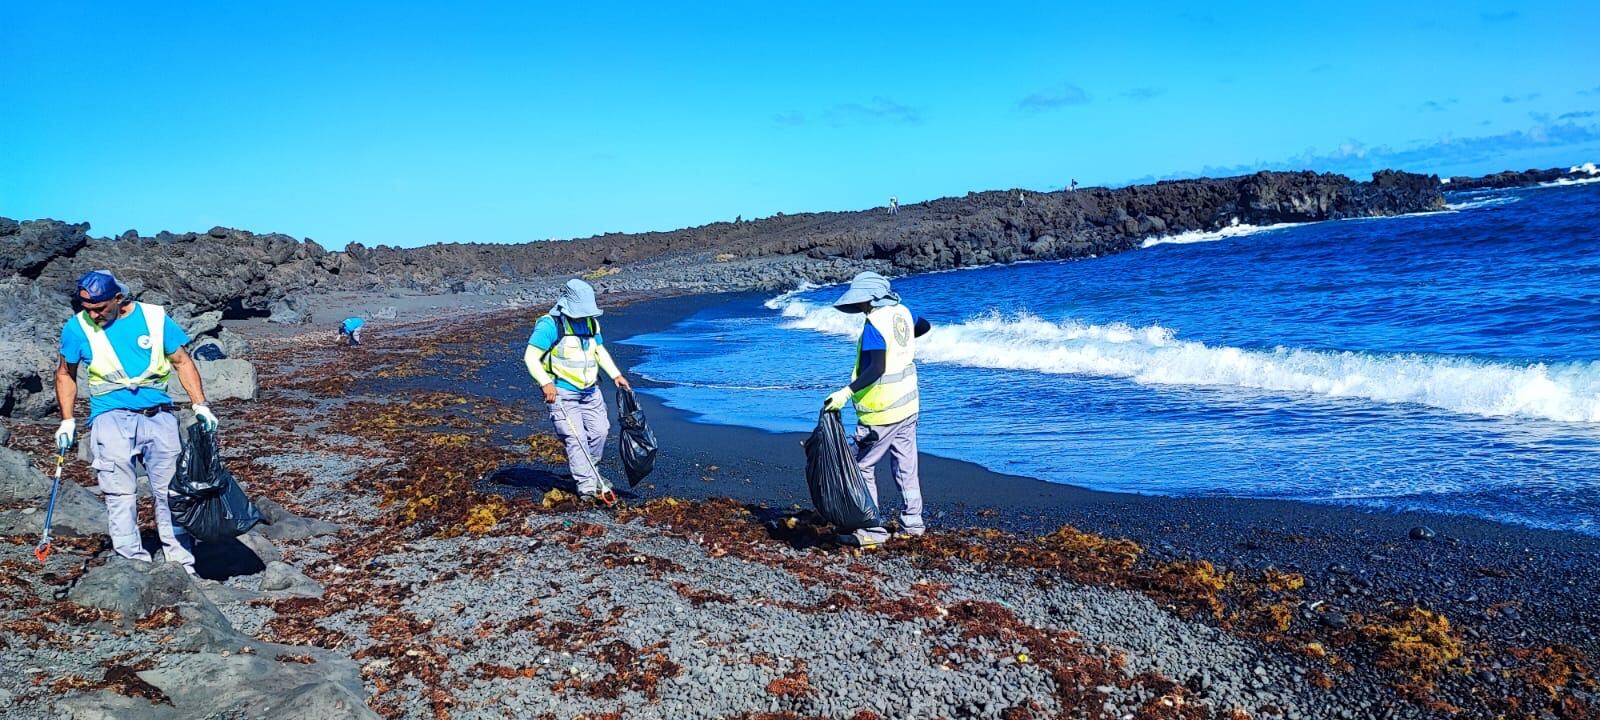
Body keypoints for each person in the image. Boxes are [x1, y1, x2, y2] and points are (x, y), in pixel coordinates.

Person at [53, 270, 218, 574]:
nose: (93, 315)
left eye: (100, 308)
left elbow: (182, 361)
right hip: (110, 418)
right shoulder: (77, 328)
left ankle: (181, 563)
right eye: (87, 308)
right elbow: (65, 373)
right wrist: (67, 420)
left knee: (172, 492)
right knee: (119, 494)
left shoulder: (155, 319)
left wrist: (200, 405)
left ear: (118, 298)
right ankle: (132, 564)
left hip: (159, 416)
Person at [822, 271, 932, 547]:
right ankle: (913, 524)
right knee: (906, 466)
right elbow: (924, 326)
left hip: (881, 412)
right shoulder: (902, 312)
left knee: (861, 467)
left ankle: (871, 530)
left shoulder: (874, 324)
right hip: (909, 404)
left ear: (868, 299)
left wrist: (846, 393)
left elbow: (876, 368)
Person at [524, 279, 632, 502]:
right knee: (575, 438)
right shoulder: (550, 325)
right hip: (562, 392)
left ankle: (590, 473)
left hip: (591, 390)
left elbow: (598, 350)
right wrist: (545, 382)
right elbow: (530, 357)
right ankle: (586, 487)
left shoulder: (592, 323)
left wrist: (616, 375)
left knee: (600, 432)